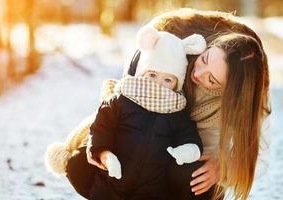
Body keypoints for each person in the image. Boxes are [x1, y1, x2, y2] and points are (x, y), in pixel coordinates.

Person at [45, 8, 270, 200]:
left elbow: (258, 157)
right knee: (80, 164)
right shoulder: (177, 49)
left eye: (212, 80)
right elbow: (119, 104)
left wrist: (223, 167)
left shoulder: (250, 101)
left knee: (195, 177)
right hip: (137, 146)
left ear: (232, 93)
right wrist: (100, 147)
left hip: (181, 160)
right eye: (204, 59)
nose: (198, 73)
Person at [87, 25, 205, 199]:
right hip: (110, 181)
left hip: (152, 189)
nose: (158, 84)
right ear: (141, 71)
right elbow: (101, 128)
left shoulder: (176, 111)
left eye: (167, 79)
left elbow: (189, 135)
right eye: (152, 75)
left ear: (177, 84)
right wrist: (105, 154)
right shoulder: (121, 100)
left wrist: (188, 150)